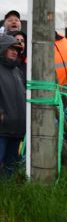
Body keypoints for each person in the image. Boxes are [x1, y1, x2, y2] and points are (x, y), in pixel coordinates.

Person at [0, 34, 25, 175]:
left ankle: (9, 196)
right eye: (11, 48)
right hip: (2, 129)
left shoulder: (17, 71)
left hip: (17, 129)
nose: (15, 51)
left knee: (11, 166)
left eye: (17, 49)